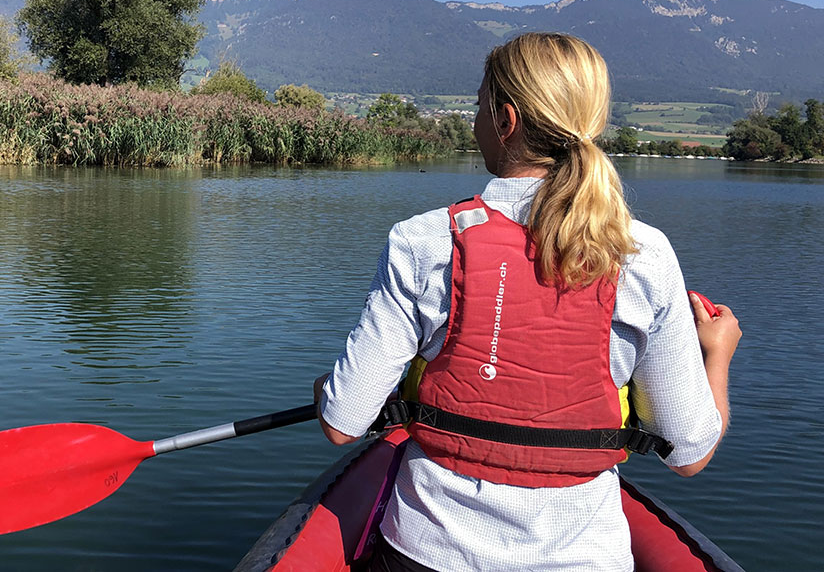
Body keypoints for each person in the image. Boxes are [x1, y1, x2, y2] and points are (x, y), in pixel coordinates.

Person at [314, 32, 741, 572]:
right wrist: (717, 353)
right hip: (586, 557)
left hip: (427, 554)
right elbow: (690, 454)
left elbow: (341, 423)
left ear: (506, 121)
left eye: (479, 107)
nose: (475, 123)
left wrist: (330, 393)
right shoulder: (644, 253)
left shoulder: (422, 241)